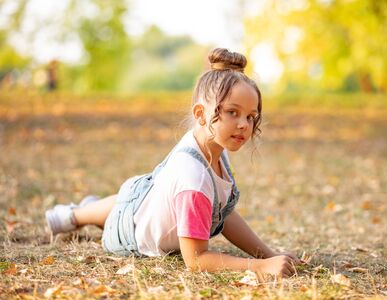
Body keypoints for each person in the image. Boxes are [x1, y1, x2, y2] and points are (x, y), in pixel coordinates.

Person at [45, 48, 303, 278]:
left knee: (133, 201)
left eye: (251, 116)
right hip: (127, 233)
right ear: (201, 114)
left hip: (144, 196)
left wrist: (267, 254)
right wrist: (259, 267)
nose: (243, 124)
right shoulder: (193, 178)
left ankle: (86, 210)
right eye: (232, 112)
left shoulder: (213, 147)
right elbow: (196, 260)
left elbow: (223, 212)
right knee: (123, 211)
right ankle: (74, 216)